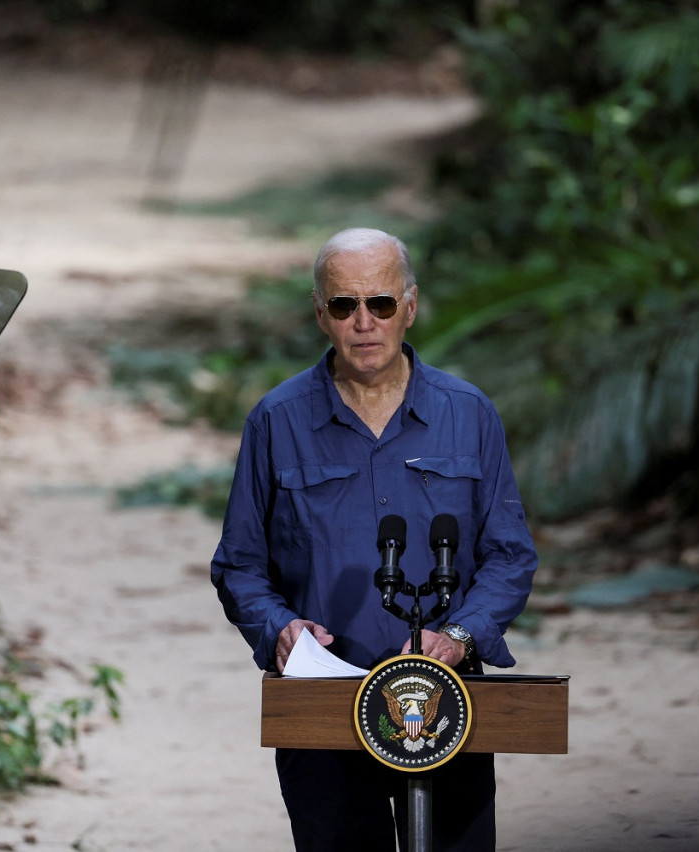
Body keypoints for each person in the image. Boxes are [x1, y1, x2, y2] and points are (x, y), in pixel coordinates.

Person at [211, 227, 538, 851]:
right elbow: (240, 566)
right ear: (320, 312)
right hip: (324, 698)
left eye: (381, 304)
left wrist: (462, 634)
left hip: (444, 698)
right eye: (344, 305)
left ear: (409, 308)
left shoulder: (468, 414)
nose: (364, 322)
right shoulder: (277, 421)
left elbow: (509, 555)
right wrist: (277, 628)